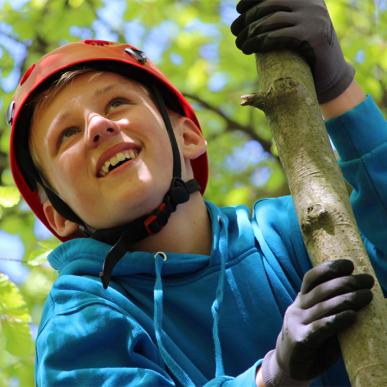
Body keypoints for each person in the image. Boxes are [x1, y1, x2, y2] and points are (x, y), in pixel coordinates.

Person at [8, 0, 386, 386]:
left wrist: (337, 85)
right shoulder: (80, 315)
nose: (98, 126)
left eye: (117, 102)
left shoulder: (287, 231)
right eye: (66, 134)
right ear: (58, 215)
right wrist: (271, 378)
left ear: (188, 137)